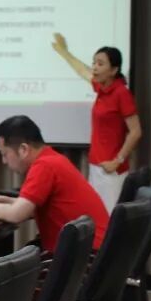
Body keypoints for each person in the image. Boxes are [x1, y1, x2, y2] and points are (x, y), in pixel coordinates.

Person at [0, 115, 108, 253]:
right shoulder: (53, 159)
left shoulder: (44, 166)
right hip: (90, 253)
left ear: (23, 149)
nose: (4, 161)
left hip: (83, 258)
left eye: (4, 154)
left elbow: (17, 214)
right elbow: (32, 208)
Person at [52, 33, 143, 212]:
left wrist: (117, 161)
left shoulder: (121, 93)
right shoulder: (102, 89)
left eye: (100, 64)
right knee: (95, 216)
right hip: (96, 166)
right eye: (94, 62)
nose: (94, 67)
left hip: (111, 170)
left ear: (114, 70)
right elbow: (82, 71)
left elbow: (136, 131)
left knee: (108, 218)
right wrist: (64, 52)